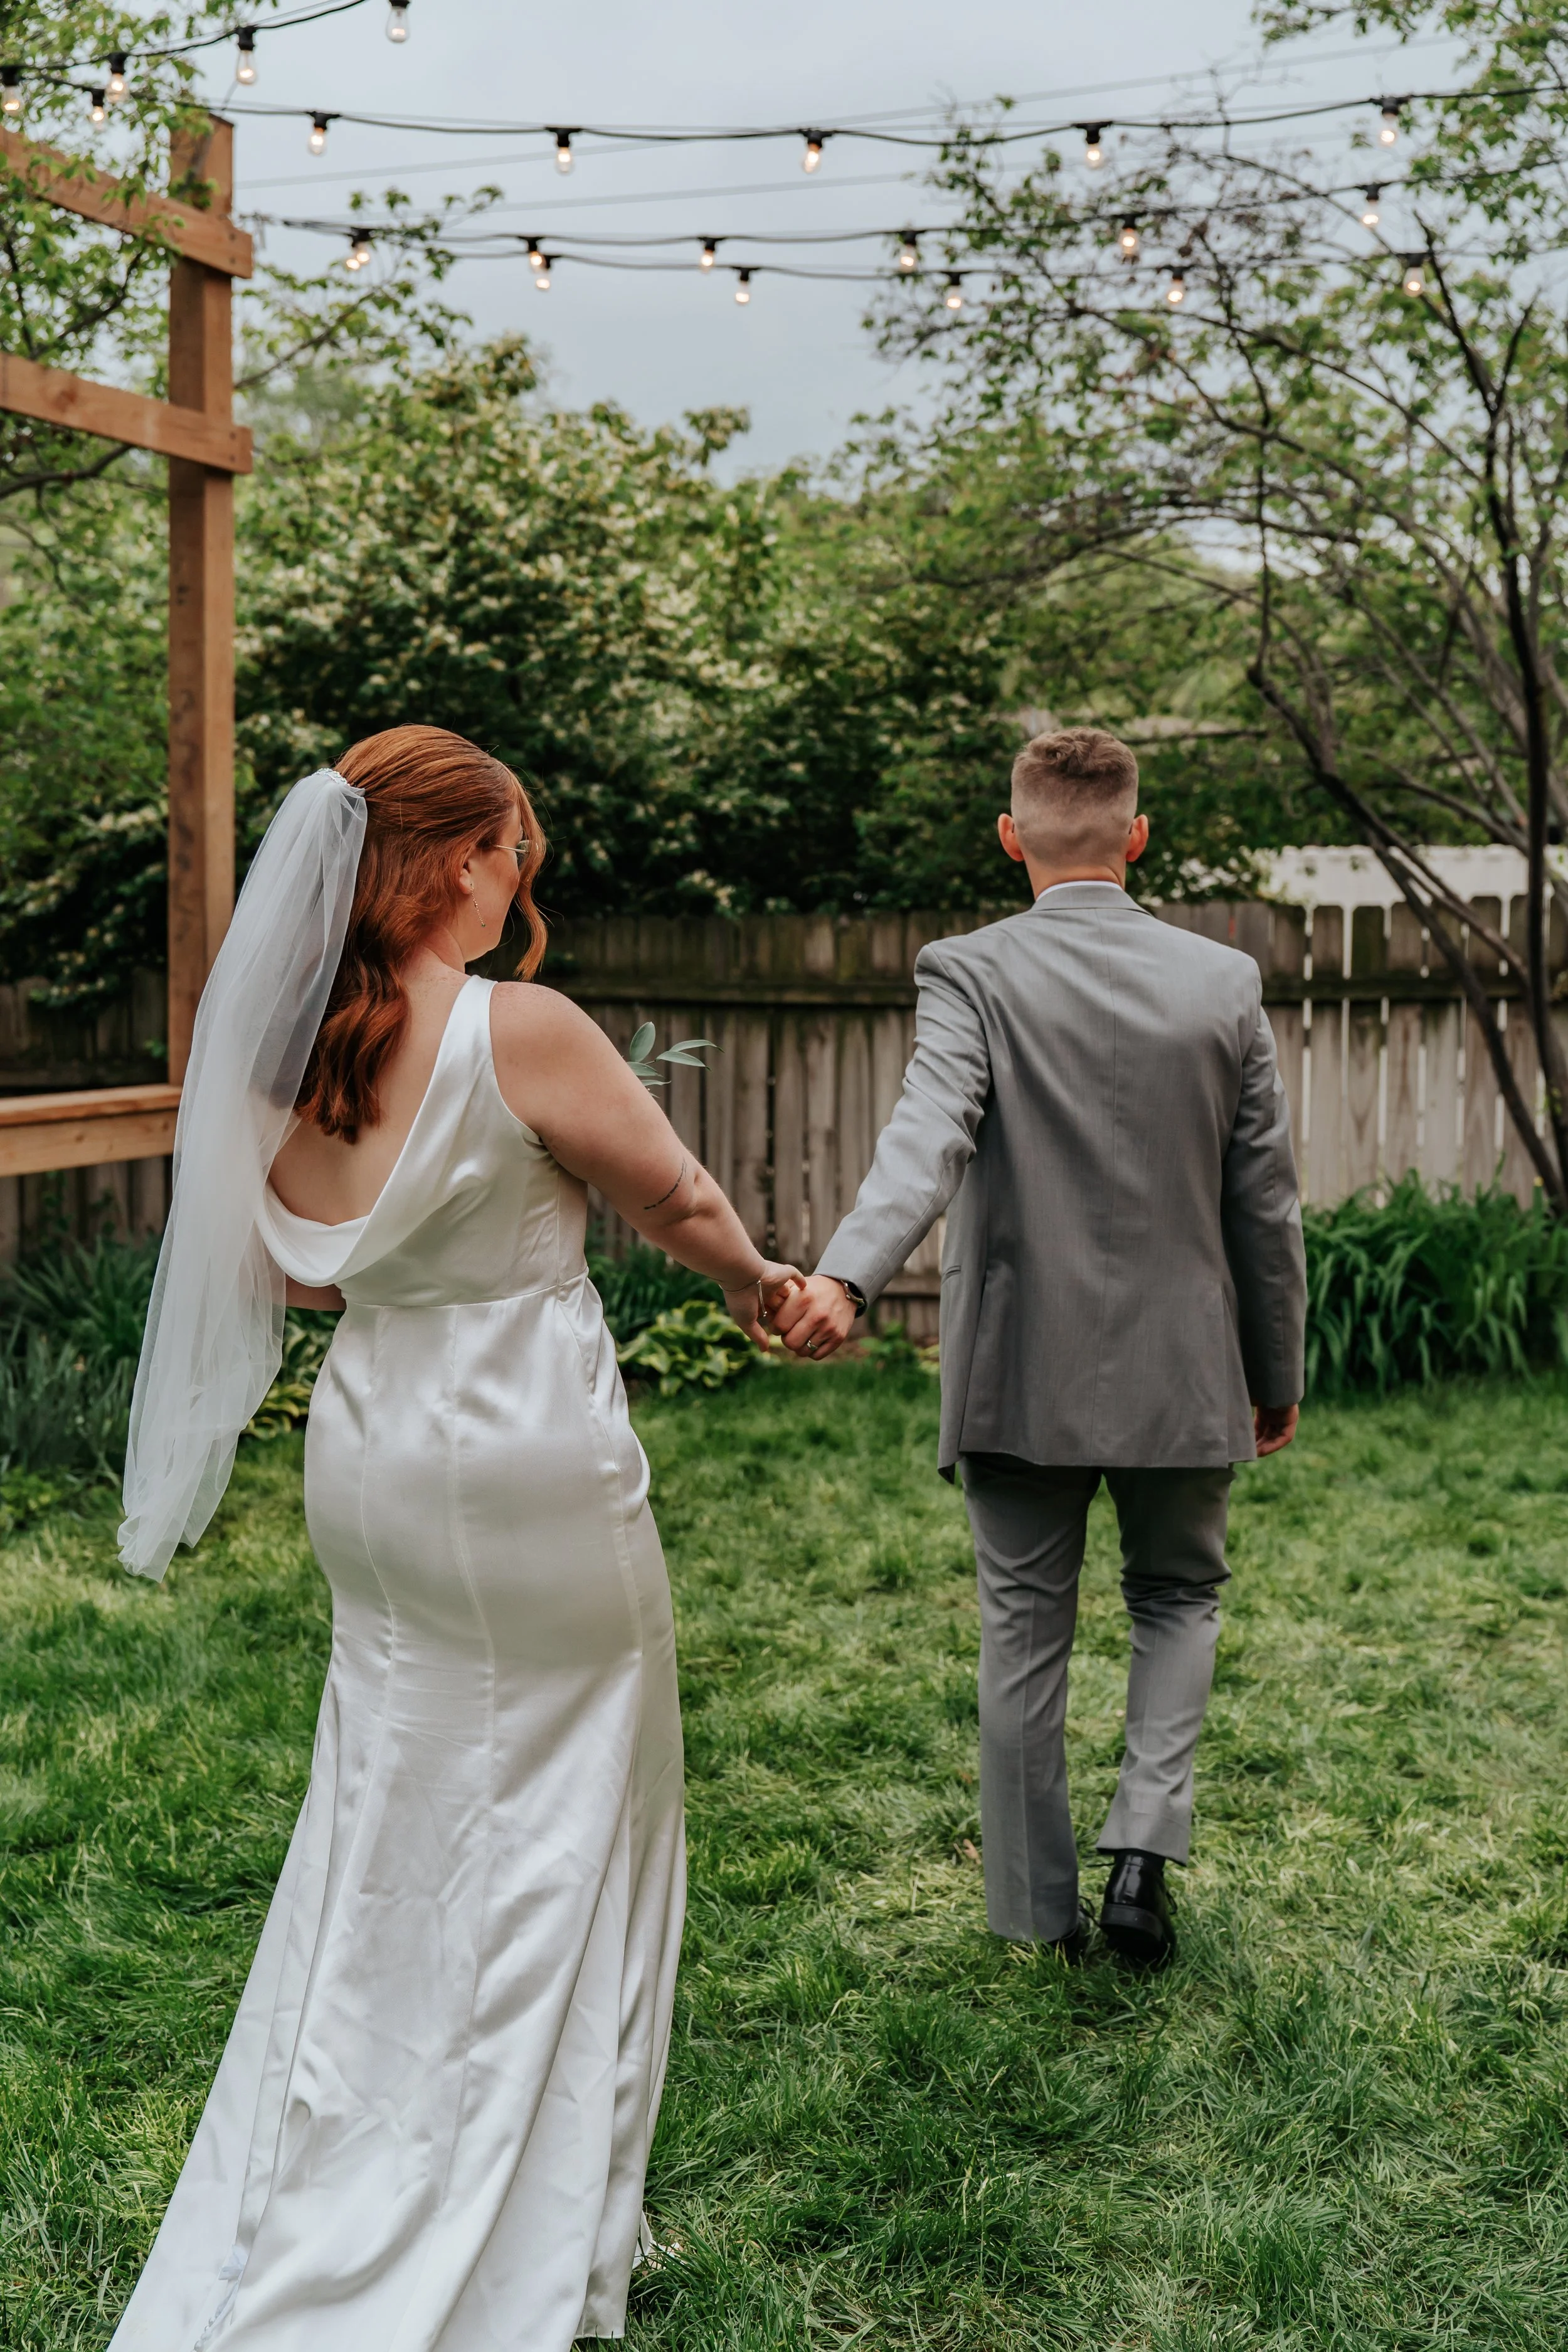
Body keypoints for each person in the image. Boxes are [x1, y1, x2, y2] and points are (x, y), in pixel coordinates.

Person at [112, 726, 797, 2350]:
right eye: (510, 852)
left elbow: (291, 1266)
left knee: (393, 1788)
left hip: (370, 1446)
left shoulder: (285, 1047)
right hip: (521, 1452)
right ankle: (498, 2194)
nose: (518, 881)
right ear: (450, 856)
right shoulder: (517, 1026)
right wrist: (758, 1283)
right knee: (569, 1802)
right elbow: (676, 1194)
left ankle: (355, 2112)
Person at [773, 726, 1306, 1968]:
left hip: (1021, 1370)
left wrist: (847, 1274)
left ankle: (1030, 1916)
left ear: (1009, 837)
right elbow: (1264, 1205)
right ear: (1136, 836)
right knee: (1176, 1597)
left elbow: (924, 1140)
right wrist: (1271, 1373)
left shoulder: (970, 972)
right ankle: (1140, 1854)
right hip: (1187, 1370)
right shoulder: (1220, 984)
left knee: (1022, 1629)